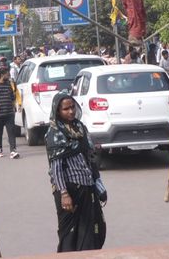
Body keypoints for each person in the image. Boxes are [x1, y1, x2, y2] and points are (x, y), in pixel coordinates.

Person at [45, 93, 106, 252]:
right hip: (69, 192)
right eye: (66, 109)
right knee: (69, 234)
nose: (71, 111)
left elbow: (90, 159)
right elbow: (56, 167)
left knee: (92, 230)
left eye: (72, 107)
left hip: (87, 188)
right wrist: (64, 194)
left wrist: (98, 184)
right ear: (57, 111)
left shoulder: (80, 128)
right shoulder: (54, 133)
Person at [0, 68, 20, 159]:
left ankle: (13, 151)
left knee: (11, 132)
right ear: (2, 75)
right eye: (7, 74)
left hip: (9, 113)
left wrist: (14, 106)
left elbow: (11, 96)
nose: (9, 75)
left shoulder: (8, 84)